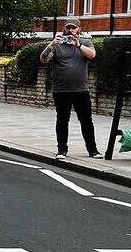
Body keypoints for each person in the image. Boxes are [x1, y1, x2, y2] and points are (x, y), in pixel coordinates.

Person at [39, 18, 102, 160]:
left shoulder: (85, 42)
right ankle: (61, 150)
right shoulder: (58, 44)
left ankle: (93, 150)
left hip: (81, 89)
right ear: (64, 28)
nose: (71, 30)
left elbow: (92, 55)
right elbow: (44, 59)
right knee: (62, 119)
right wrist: (51, 44)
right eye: (68, 28)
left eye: (74, 28)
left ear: (79, 29)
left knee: (86, 120)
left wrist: (78, 45)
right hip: (61, 90)